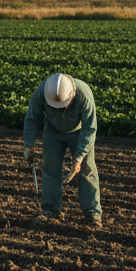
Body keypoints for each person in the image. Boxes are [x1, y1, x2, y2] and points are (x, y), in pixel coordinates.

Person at [23, 73, 102, 227]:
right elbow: (32, 119)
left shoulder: (83, 93)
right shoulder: (41, 92)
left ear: (72, 95)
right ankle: (50, 212)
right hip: (53, 132)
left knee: (87, 170)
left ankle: (92, 215)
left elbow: (90, 128)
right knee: (51, 170)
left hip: (79, 132)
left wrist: (78, 159)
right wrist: (28, 145)